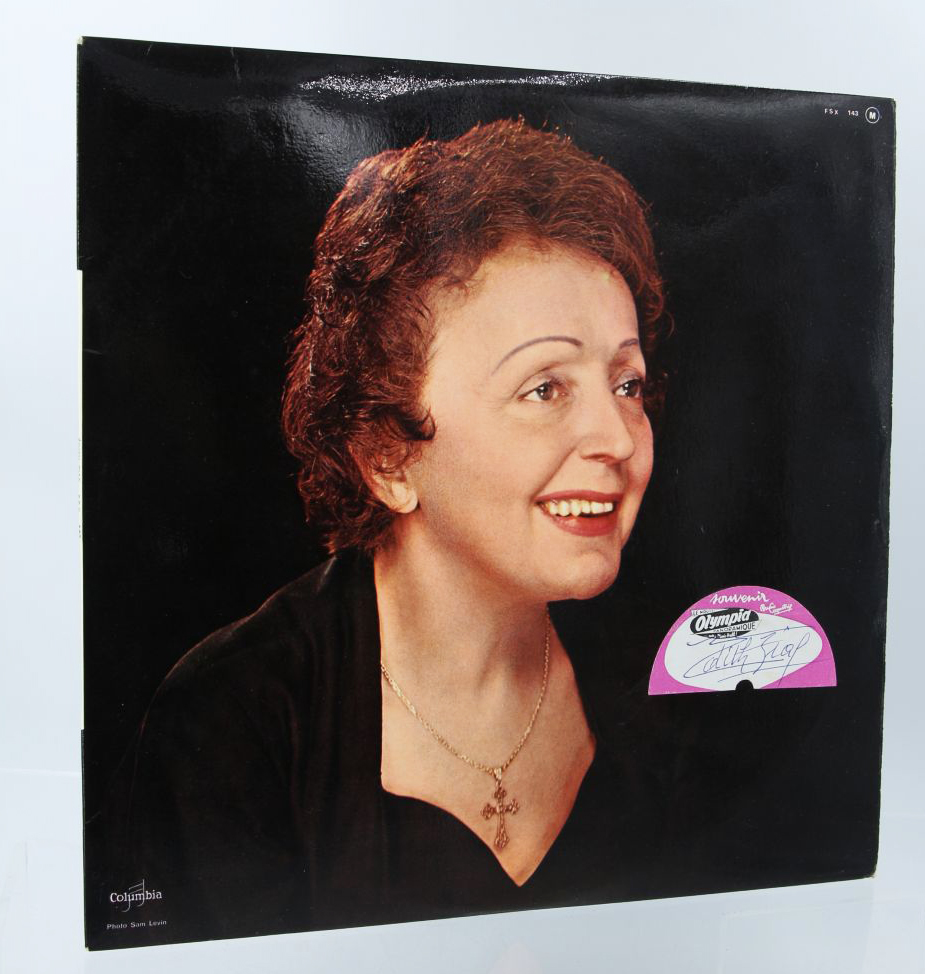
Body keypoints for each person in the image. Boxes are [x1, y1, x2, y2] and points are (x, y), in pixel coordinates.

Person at [121, 118, 672, 943]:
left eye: (626, 383)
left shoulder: (668, 677)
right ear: (388, 456)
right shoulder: (232, 726)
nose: (619, 440)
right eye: (545, 389)